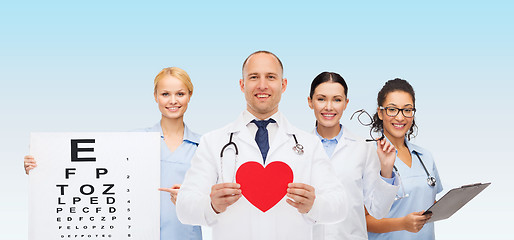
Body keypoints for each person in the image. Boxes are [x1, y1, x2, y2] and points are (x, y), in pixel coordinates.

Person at [176, 51, 347, 240]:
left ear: (283, 85)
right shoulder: (213, 142)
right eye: (254, 77)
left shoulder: (309, 144)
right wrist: (211, 205)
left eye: (271, 77)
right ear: (242, 85)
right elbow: (184, 208)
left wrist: (314, 205)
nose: (262, 85)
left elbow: (339, 206)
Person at [24, 67, 202, 240]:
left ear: (190, 95)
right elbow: (90, 169)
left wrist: (191, 199)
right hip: (138, 232)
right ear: (155, 96)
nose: (173, 100)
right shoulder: (133, 140)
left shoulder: (203, 146)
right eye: (165, 94)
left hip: (185, 234)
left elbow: (214, 201)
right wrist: (41, 164)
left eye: (180, 94)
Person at [307, 72, 399, 240]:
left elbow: (378, 210)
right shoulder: (298, 148)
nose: (329, 107)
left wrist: (386, 170)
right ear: (310, 102)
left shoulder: (363, 149)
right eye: (321, 99)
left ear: (346, 103)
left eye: (337, 99)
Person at [366, 78, 443, 240]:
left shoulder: (425, 156)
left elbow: (428, 200)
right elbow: (363, 219)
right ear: (380, 113)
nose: (400, 118)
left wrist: (451, 204)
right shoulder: (367, 156)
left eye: (407, 110)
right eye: (392, 109)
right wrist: (402, 224)